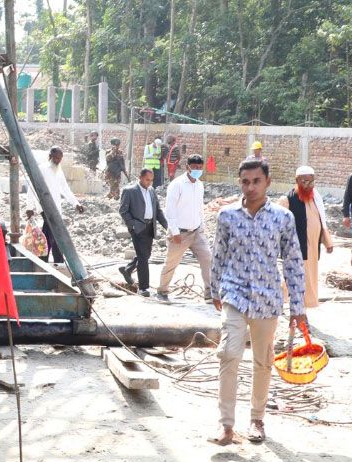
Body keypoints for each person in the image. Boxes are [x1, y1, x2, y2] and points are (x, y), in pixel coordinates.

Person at [209, 157, 306, 445]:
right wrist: (215, 290)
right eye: (245, 182)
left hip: (267, 298)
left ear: (267, 182)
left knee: (263, 361)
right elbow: (219, 254)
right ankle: (226, 425)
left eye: (256, 181)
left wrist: (298, 308)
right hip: (234, 294)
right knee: (229, 353)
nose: (250, 187)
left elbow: (292, 262)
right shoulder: (227, 216)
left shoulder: (283, 218)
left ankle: (257, 419)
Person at [157, 155, 213, 303]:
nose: (197, 170)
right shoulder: (177, 185)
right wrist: (174, 232)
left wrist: (202, 226)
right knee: (171, 263)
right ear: (187, 167)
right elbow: (170, 211)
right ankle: (162, 290)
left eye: (200, 168)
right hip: (180, 233)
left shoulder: (199, 185)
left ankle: (209, 292)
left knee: (207, 258)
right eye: (194, 167)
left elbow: (199, 208)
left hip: (196, 231)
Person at [277, 166, 334, 309]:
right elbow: (278, 226)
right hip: (296, 248)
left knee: (306, 277)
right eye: (305, 182)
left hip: (313, 248)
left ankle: (293, 304)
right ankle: (300, 309)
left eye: (311, 182)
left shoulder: (316, 198)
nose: (309, 186)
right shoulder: (287, 200)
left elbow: (322, 221)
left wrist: (327, 241)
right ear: (297, 180)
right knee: (299, 279)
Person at [31, 147, 85, 264]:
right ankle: (56, 260)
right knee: (55, 234)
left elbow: (65, 189)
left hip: (56, 208)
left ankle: (44, 260)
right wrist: (29, 207)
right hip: (45, 207)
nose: (57, 161)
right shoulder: (42, 169)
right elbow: (32, 187)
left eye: (59, 159)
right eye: (55, 158)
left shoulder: (58, 171)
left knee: (48, 233)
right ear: (50, 156)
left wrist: (76, 203)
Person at [118, 168, 167, 295]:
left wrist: (167, 226)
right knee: (143, 258)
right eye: (147, 180)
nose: (149, 183)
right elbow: (123, 210)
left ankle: (127, 269)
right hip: (137, 228)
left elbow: (158, 210)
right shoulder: (129, 191)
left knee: (145, 255)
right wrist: (132, 225)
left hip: (150, 227)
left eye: (151, 180)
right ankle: (143, 288)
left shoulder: (151, 191)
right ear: (140, 177)